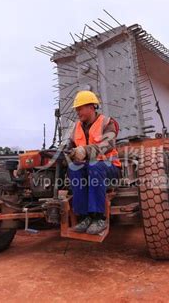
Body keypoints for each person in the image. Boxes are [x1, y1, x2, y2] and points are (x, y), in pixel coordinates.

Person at [66, 90, 122, 235]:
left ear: (91, 107)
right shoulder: (76, 127)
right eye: (76, 109)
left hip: (110, 168)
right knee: (74, 169)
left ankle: (98, 218)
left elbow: (107, 144)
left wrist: (84, 151)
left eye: (80, 108)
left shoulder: (107, 123)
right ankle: (84, 217)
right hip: (89, 168)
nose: (77, 112)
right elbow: (68, 147)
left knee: (94, 166)